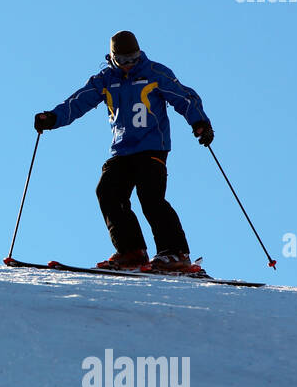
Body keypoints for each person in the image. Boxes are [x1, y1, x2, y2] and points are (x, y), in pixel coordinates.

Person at [34, 31, 215, 272]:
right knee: (108, 191)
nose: (130, 64)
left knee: (150, 197)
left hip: (152, 147)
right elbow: (78, 102)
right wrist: (53, 118)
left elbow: (184, 97)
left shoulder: (155, 73)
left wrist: (200, 123)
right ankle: (132, 251)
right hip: (122, 150)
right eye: (124, 60)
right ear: (112, 58)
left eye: (134, 57)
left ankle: (175, 253)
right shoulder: (106, 79)